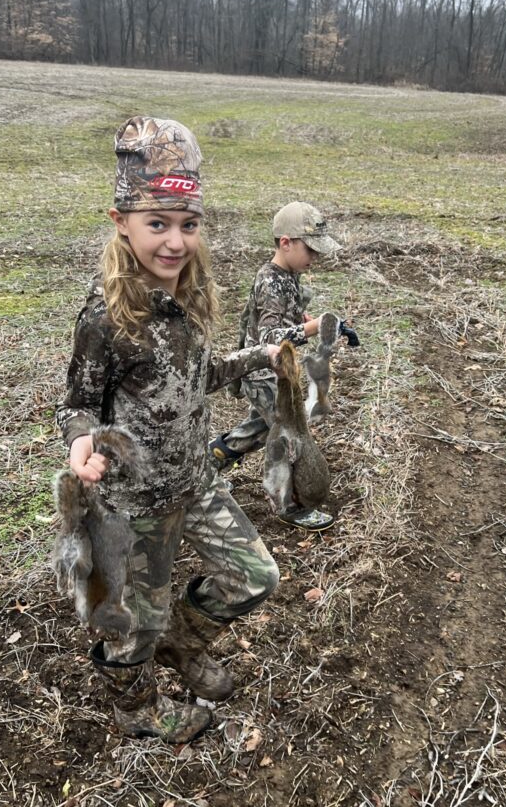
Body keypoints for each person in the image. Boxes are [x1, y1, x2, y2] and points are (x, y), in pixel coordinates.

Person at [55, 115, 282, 745]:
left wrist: (266, 355)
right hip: (134, 505)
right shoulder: (105, 317)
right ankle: (138, 709)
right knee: (133, 624)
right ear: (121, 222)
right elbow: (77, 403)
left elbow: (198, 374)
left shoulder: (193, 296)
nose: (175, 242)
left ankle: (185, 641)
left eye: (187, 225)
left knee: (256, 577)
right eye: (157, 224)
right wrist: (80, 443)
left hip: (195, 483)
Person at [209, 201, 341, 531]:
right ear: (286, 242)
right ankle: (289, 504)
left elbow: (277, 318)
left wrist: (301, 319)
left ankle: (208, 463)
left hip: (272, 371)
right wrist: (311, 329)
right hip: (264, 371)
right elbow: (269, 335)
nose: (315, 258)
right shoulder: (271, 281)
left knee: (264, 426)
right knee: (290, 434)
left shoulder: (288, 276)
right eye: (310, 250)